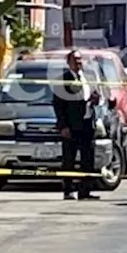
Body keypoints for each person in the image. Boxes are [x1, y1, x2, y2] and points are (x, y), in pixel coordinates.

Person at [53, 50, 100, 200]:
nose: (78, 62)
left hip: (87, 123)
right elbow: (58, 105)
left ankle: (85, 190)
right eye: (75, 60)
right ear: (68, 62)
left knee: (88, 159)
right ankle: (68, 190)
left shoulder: (89, 78)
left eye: (80, 60)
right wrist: (63, 126)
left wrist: (95, 99)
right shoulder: (63, 80)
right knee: (69, 159)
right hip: (71, 125)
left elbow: (95, 97)